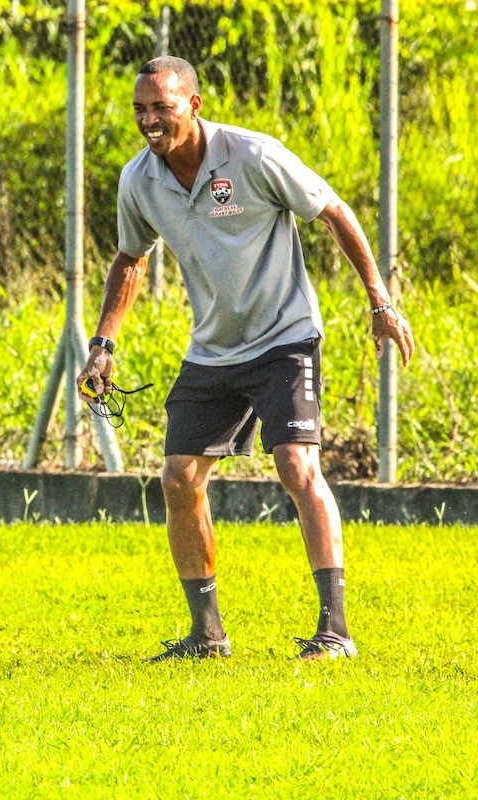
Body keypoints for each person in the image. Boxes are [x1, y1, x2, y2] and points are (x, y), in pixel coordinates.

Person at [78, 56, 415, 662]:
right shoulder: (139, 180)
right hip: (213, 348)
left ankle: (334, 632)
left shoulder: (253, 155)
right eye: (140, 109)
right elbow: (130, 260)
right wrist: (104, 343)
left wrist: (380, 301)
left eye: (162, 106)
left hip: (285, 335)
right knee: (178, 480)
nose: (149, 120)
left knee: (296, 466)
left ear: (194, 105)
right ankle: (207, 636)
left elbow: (333, 211)